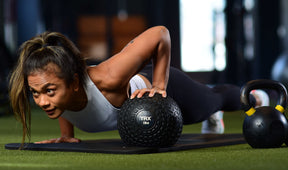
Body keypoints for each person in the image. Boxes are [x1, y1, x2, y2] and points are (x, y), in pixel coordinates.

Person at [9, 26, 268, 144]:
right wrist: (67, 136)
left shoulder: (107, 77)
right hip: (139, 96)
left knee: (213, 101)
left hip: (167, 88)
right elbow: (65, 103)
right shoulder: (61, 92)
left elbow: (160, 34)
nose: (42, 102)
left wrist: (159, 84)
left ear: (75, 82)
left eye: (49, 92)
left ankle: (257, 98)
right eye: (36, 93)